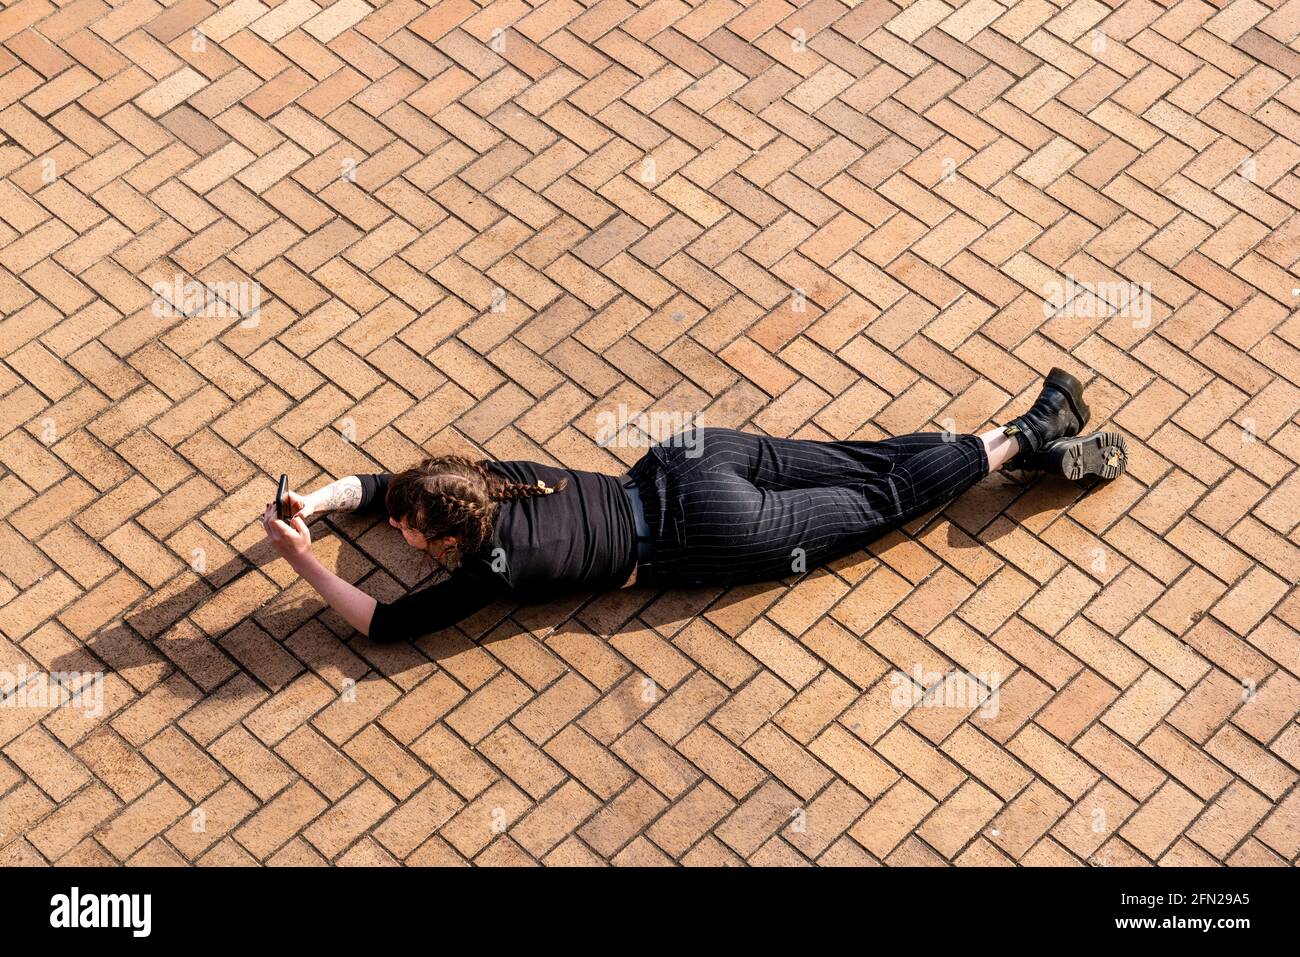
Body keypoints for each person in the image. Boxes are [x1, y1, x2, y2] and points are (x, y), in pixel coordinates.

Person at [262, 369, 1126, 643]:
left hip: (706, 535)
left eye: (410, 528)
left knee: (877, 501)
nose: (400, 533)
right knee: (860, 460)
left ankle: (1024, 432)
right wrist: (325, 498)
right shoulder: (494, 477)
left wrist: (304, 554)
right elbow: (383, 489)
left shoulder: (495, 565)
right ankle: (1022, 448)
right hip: (688, 456)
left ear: (445, 530)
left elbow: (385, 624)